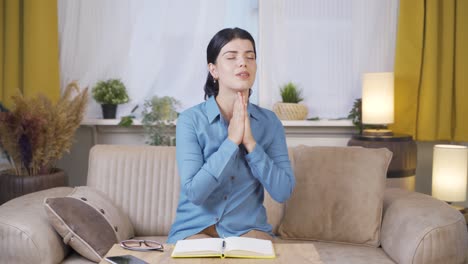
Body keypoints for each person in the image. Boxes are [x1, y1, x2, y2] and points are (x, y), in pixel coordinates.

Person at [167, 28, 295, 243]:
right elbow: (195, 193)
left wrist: (251, 143)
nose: (243, 62)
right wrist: (232, 141)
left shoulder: (269, 122)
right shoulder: (190, 120)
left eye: (250, 56)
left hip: (250, 231)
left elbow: (282, 192)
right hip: (195, 231)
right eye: (231, 56)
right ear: (213, 70)